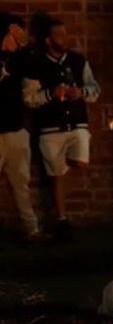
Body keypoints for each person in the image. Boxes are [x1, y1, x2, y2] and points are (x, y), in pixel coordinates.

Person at [22, 18, 101, 242]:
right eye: (59, 35)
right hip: (50, 127)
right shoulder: (36, 64)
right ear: (48, 40)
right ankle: (61, 219)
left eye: (65, 34)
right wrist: (50, 94)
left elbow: (95, 88)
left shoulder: (77, 61)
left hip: (77, 124)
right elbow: (29, 99)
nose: (64, 39)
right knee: (56, 175)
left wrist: (81, 92)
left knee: (80, 161)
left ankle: (62, 213)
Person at [0, 14, 45, 242]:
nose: (23, 34)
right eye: (19, 29)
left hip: (16, 129)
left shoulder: (23, 59)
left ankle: (32, 229)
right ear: (10, 29)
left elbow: (31, 95)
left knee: (21, 185)